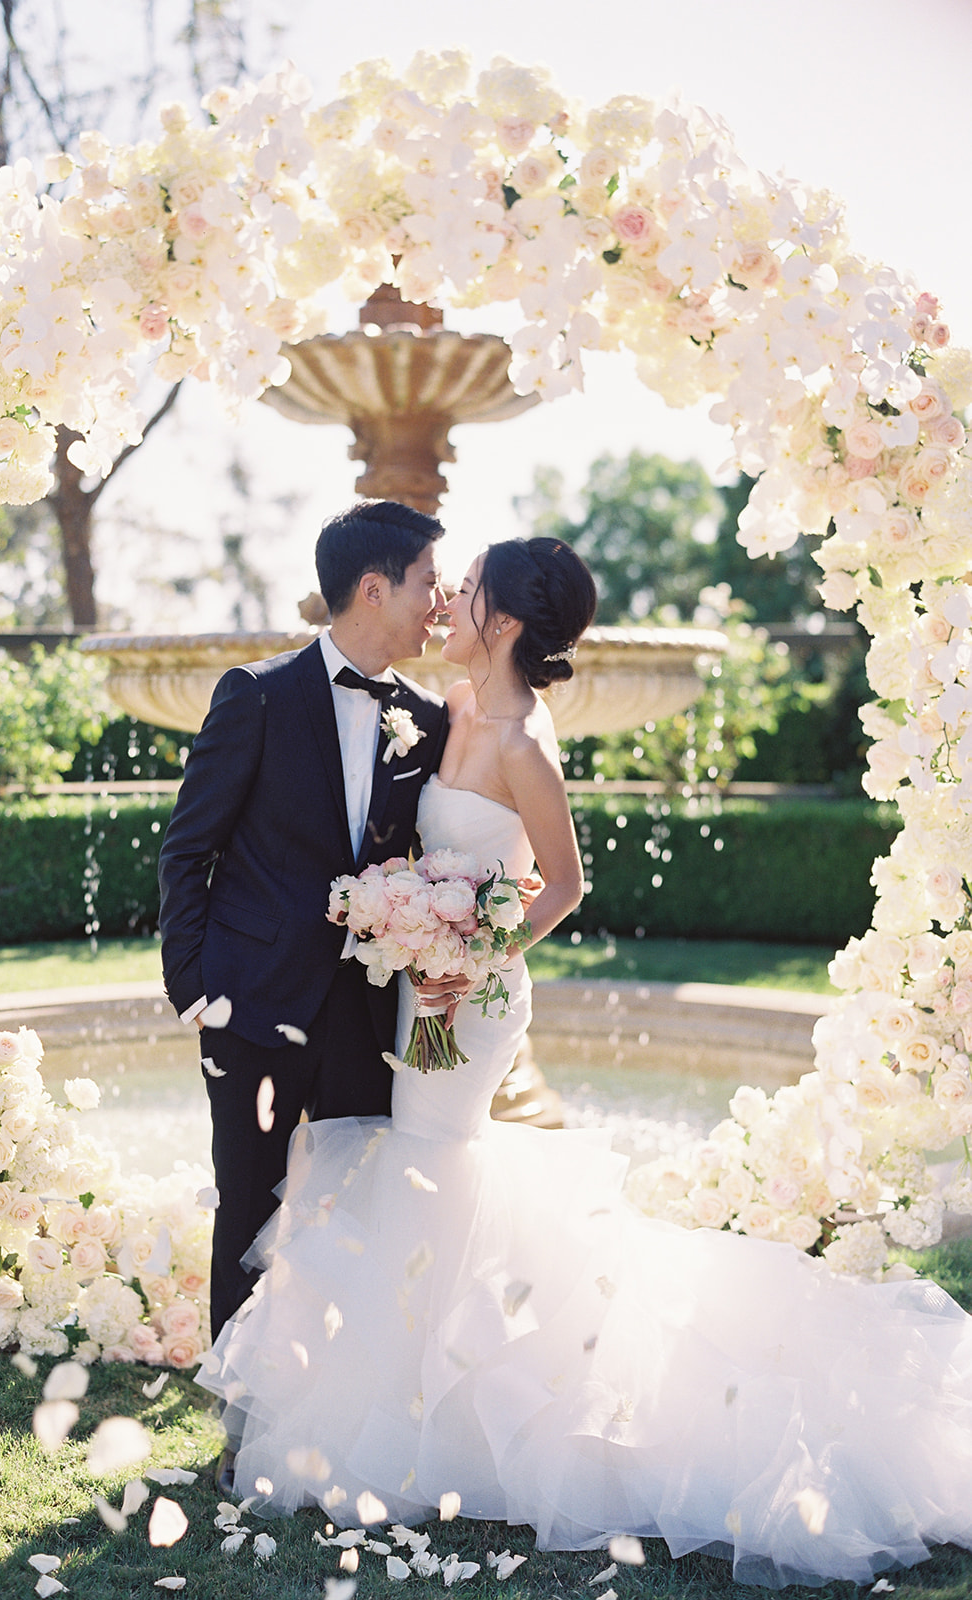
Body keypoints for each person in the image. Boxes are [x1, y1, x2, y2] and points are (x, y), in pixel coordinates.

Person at [198, 536, 972, 1590]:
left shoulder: (522, 742)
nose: (449, 603)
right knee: (421, 1168)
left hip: (468, 1003)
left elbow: (562, 887)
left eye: (464, 592)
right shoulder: (451, 712)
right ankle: (428, 1400)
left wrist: (473, 957)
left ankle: (434, 1419)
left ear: (506, 620)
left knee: (431, 1161)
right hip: (417, 983)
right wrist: (410, 927)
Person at [158, 499, 451, 1363]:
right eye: (428, 582)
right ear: (373, 588)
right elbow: (188, 851)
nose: (438, 601)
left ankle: (331, 1414)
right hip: (248, 1005)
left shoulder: (431, 719)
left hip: (367, 1013)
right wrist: (195, 993)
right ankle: (240, 1426)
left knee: (358, 1215)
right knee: (248, 1205)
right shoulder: (256, 695)